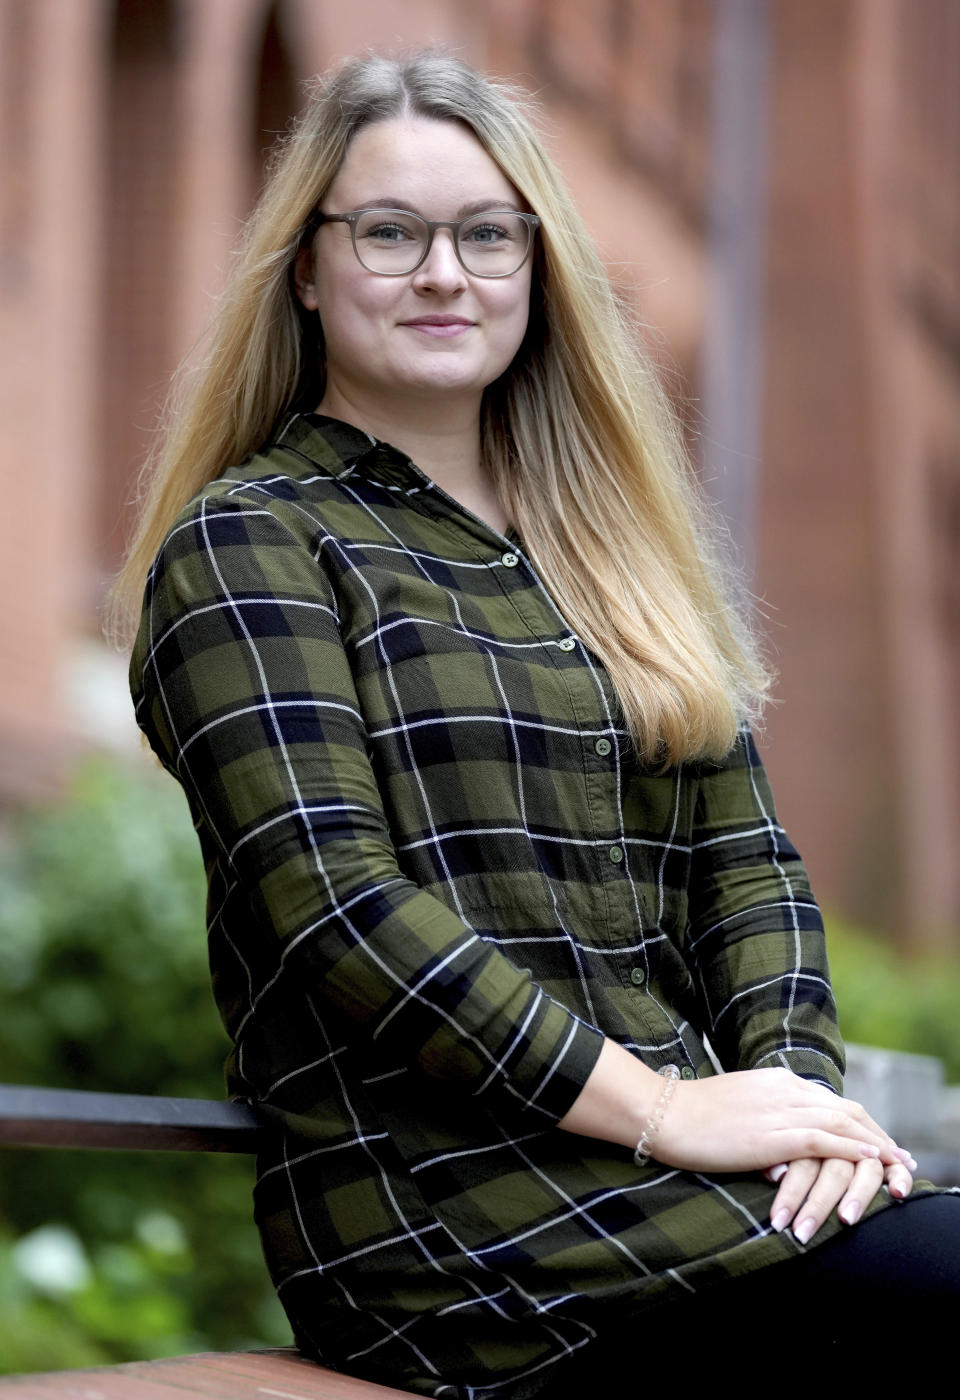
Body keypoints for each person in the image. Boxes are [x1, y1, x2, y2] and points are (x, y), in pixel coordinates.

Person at [115, 50, 958, 1396]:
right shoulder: (251, 544)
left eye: (487, 234)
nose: (444, 272)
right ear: (309, 270)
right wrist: (670, 1109)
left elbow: (745, 871)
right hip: (457, 1236)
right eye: (390, 232)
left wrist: (797, 1106)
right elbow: (332, 904)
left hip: (711, 1197)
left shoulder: (613, 556)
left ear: (537, 268)